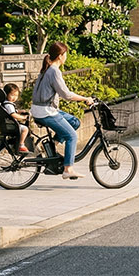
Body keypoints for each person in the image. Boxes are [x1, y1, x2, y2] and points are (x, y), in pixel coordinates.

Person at [30, 41, 95, 180]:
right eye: (65, 54)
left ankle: (52, 145)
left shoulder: (47, 69)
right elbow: (67, 95)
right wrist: (85, 99)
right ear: (60, 56)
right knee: (72, 136)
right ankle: (68, 169)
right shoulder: (54, 71)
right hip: (46, 112)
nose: (66, 57)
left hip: (42, 109)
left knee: (75, 122)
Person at [1, 83, 30, 153]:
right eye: (12, 95)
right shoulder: (9, 105)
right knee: (25, 129)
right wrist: (22, 117)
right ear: (6, 94)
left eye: (16, 96)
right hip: (11, 125)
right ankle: (21, 145)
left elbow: (14, 111)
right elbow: (12, 114)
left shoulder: (5, 103)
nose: (14, 97)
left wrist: (19, 111)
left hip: (8, 124)